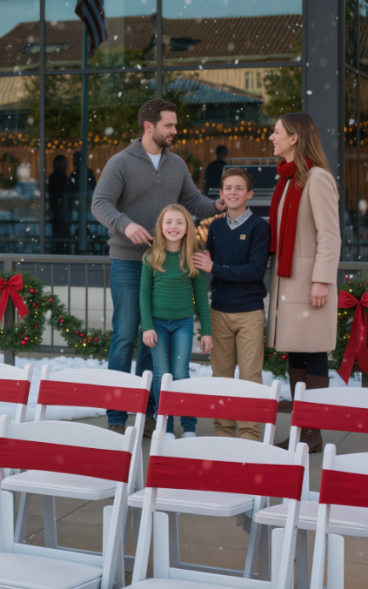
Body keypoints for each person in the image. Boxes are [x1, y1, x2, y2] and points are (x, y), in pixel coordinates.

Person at [91, 99, 225, 436]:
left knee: (153, 341)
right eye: (170, 125)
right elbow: (100, 203)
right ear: (149, 126)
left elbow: (193, 201)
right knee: (124, 336)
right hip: (128, 262)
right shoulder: (120, 163)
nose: (175, 131)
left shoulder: (176, 164)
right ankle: (117, 417)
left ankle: (150, 413)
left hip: (166, 264)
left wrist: (217, 205)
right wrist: (125, 225)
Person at [267, 113, 339, 453]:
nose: (272, 137)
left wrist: (322, 280)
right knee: (296, 354)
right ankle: (301, 429)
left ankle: (312, 432)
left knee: (313, 355)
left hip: (309, 284)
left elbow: (330, 235)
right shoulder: (286, 180)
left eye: (277, 132)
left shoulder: (317, 178)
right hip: (289, 284)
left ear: (295, 137)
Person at [193, 167, 271, 441]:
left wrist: (215, 266)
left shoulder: (260, 227)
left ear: (249, 194)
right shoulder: (214, 226)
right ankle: (223, 434)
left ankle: (250, 436)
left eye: (239, 188)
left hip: (249, 311)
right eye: (228, 188)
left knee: (251, 377)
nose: (233, 193)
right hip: (219, 310)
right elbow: (205, 263)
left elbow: (254, 271)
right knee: (221, 378)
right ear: (221, 194)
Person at [140, 204, 213, 438]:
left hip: (183, 324)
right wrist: (148, 326)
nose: (174, 227)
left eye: (179, 222)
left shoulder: (193, 259)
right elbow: (144, 296)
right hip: (158, 325)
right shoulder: (152, 257)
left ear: (187, 229)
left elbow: (201, 298)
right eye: (169, 222)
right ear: (161, 228)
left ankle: (189, 425)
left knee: (181, 374)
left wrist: (207, 332)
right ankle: (167, 428)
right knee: (162, 375)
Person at [48, 154, 70, 253]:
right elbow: (56, 194)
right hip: (60, 209)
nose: (67, 165)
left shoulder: (58, 176)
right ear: (58, 164)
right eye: (64, 163)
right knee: (60, 232)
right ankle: (60, 250)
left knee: (59, 232)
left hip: (60, 209)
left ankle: (59, 249)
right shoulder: (57, 177)